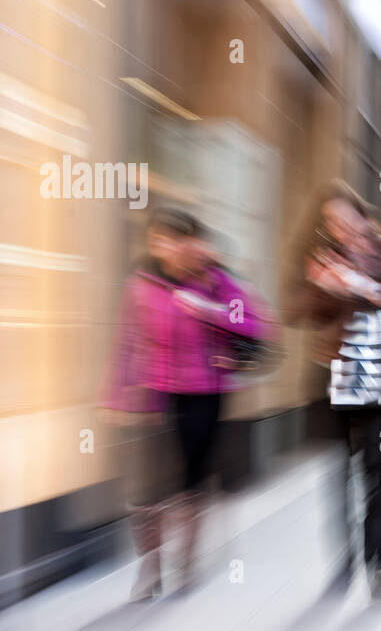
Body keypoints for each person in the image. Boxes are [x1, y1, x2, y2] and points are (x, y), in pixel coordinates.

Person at [103, 208, 272, 601]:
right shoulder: (140, 285)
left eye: (177, 239)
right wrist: (114, 395)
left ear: (192, 243)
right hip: (153, 395)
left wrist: (209, 310)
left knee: (191, 484)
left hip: (203, 394)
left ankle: (186, 563)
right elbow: (126, 343)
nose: (168, 247)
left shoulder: (217, 282)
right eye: (159, 239)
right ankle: (150, 569)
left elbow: (253, 323)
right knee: (145, 491)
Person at [285, 181, 381, 600]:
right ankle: (344, 556)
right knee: (338, 475)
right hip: (333, 380)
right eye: (331, 221)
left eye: (346, 217)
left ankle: (380, 562)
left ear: (363, 217)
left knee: (378, 473)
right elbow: (293, 311)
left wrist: (371, 290)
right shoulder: (321, 260)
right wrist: (321, 287)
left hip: (377, 380)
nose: (339, 226)